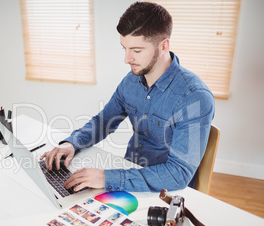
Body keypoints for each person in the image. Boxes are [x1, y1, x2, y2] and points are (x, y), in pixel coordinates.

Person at [41, 1, 215, 193]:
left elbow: (177, 174)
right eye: (124, 48)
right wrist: (72, 143)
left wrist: (107, 177)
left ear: (164, 45)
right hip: (127, 176)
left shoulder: (194, 97)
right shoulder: (132, 80)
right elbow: (103, 121)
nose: (126, 59)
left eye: (136, 50)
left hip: (165, 193)